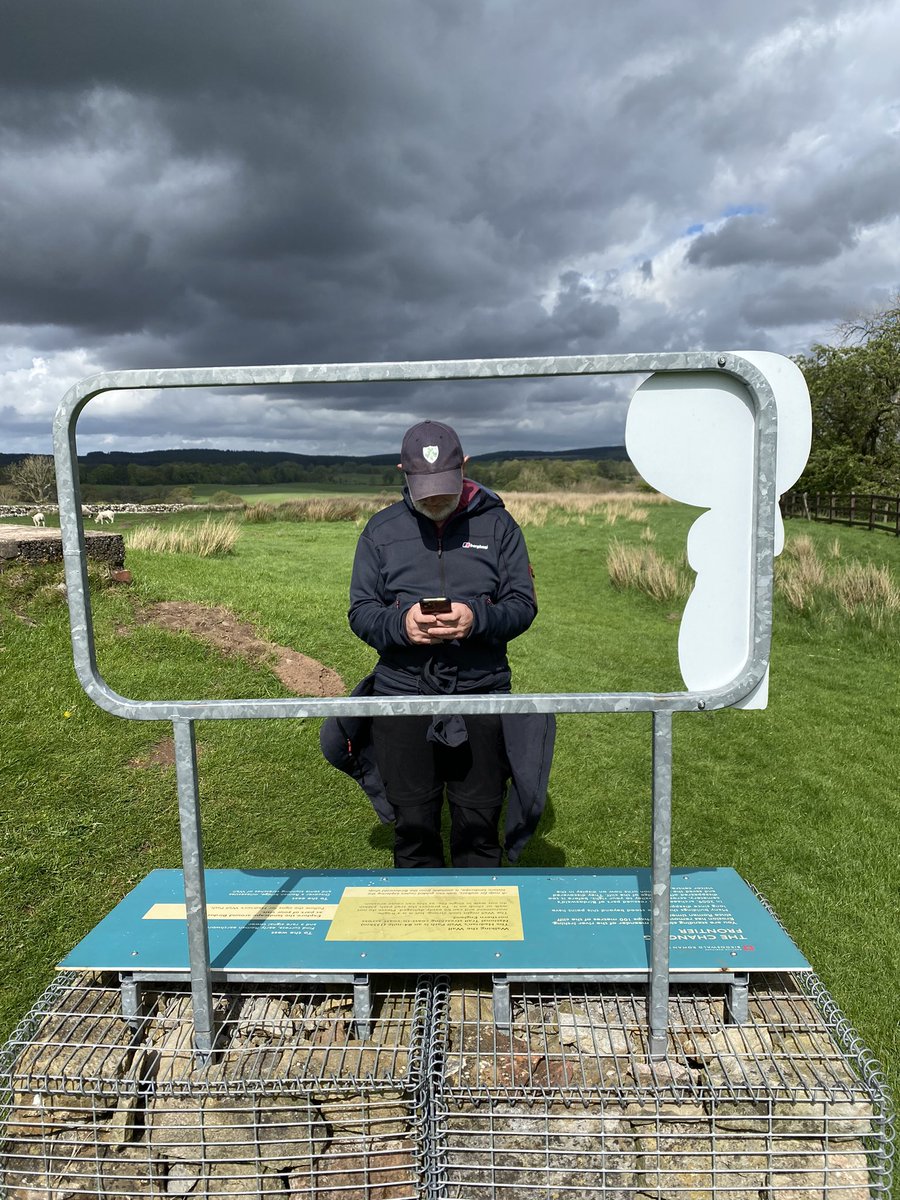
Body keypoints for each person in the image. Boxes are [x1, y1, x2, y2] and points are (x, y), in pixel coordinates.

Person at [333, 419, 553, 869]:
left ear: (464, 466)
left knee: (478, 827)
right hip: (400, 698)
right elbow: (360, 612)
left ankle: (482, 932)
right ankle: (418, 933)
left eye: (444, 486)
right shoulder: (380, 531)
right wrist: (402, 625)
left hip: (482, 694)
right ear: (402, 471)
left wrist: (476, 619)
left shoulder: (500, 526)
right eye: (424, 488)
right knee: (412, 829)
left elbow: (522, 605)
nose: (435, 498)